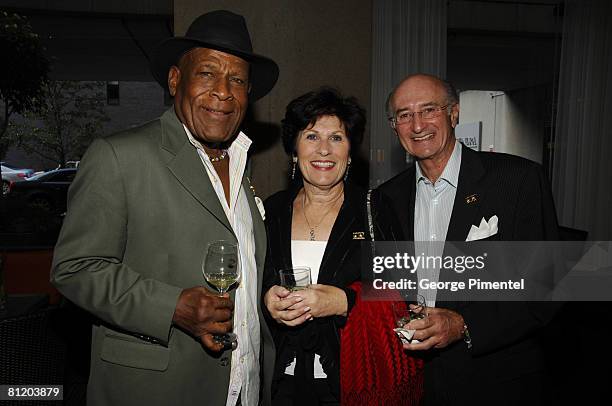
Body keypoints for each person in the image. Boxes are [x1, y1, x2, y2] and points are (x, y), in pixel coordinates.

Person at [51, 10, 279, 406]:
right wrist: (172, 307)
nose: (223, 91)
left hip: (245, 388)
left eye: (238, 79)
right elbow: (75, 269)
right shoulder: (119, 156)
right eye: (207, 73)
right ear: (176, 80)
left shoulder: (242, 166)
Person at [379, 73, 560, 405]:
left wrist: (463, 324)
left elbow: (545, 287)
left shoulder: (518, 180)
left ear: (454, 113)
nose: (417, 125)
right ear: (395, 127)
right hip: (416, 381)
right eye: (405, 115)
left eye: (429, 109)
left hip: (496, 379)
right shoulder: (386, 198)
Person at [262, 87, 423, 405]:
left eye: (336, 138)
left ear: (350, 151)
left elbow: (407, 288)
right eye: (311, 137)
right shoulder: (273, 209)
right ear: (294, 150)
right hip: (281, 377)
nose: (324, 150)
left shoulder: (375, 208)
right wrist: (267, 296)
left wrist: (346, 301)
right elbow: (259, 274)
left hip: (351, 378)